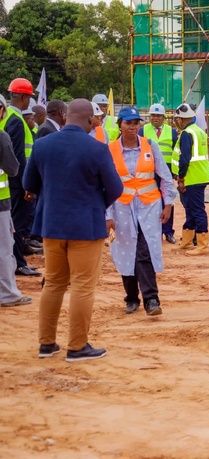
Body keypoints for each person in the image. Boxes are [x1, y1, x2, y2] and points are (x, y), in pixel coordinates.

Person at [23, 98, 123, 361]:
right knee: (82, 286)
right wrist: (93, 203)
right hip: (85, 227)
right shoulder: (97, 149)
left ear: (65, 116)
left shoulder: (43, 145)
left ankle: (46, 344)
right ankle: (77, 347)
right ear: (91, 120)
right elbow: (115, 189)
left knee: (54, 283)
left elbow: (29, 183)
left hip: (51, 226)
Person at [106, 107, 176, 316]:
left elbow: (165, 176)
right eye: (128, 123)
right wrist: (108, 215)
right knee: (125, 250)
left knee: (144, 251)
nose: (133, 127)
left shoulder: (149, 146)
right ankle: (131, 297)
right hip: (122, 208)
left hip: (148, 207)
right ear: (120, 125)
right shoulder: (110, 150)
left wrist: (168, 204)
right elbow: (105, 185)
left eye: (136, 123)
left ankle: (151, 299)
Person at [0, 77, 40, 276]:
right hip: (17, 184)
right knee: (17, 224)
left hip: (10, 184)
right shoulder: (15, 121)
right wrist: (27, 185)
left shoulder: (7, 118)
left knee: (13, 224)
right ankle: (18, 264)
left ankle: (18, 262)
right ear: (24, 98)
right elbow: (16, 158)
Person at [0, 95, 31, 308]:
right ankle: (8, 294)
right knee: (4, 249)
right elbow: (13, 168)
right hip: (1, 202)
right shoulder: (1, 136)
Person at [171, 103, 209, 255]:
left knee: (197, 210)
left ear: (181, 119)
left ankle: (202, 245)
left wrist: (181, 178)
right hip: (199, 176)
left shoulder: (187, 133)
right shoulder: (199, 131)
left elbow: (185, 158)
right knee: (191, 209)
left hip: (193, 177)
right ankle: (187, 241)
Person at [139, 103, 178, 244]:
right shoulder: (143, 131)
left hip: (166, 170)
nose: (155, 118)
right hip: (149, 169)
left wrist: (175, 172)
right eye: (153, 115)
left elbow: (176, 153)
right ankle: (152, 231)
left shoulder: (172, 132)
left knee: (167, 200)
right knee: (149, 201)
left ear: (164, 117)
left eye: (158, 116)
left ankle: (168, 231)